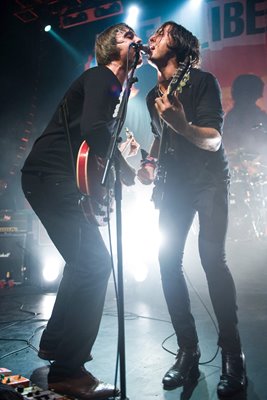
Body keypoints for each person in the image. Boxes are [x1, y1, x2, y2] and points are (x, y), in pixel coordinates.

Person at [21, 23, 142, 400]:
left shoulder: (111, 88)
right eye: (127, 36)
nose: (136, 40)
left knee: (82, 263)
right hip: (49, 178)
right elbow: (93, 129)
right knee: (95, 263)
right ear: (110, 48)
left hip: (50, 179)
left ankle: (55, 344)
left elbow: (88, 145)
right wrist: (125, 169)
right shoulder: (101, 76)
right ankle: (69, 372)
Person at [137, 21, 246, 397]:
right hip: (176, 186)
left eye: (160, 33)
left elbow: (213, 140)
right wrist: (148, 164)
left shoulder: (202, 82)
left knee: (212, 260)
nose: (150, 38)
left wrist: (183, 125)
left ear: (179, 45)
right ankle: (188, 350)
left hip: (209, 182)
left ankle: (233, 354)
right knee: (167, 262)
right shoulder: (153, 93)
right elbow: (160, 136)